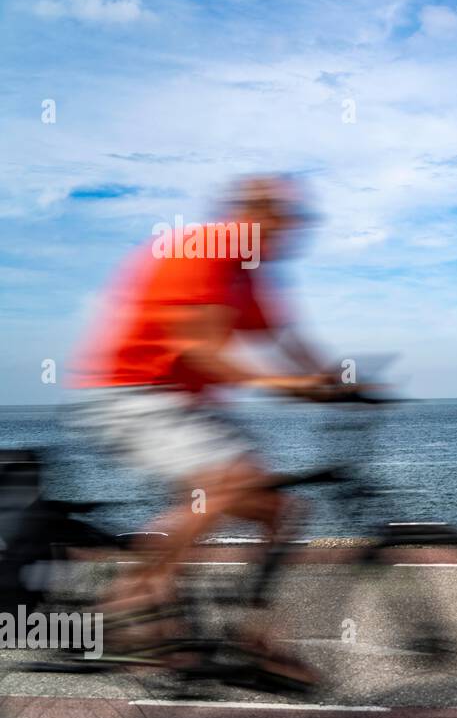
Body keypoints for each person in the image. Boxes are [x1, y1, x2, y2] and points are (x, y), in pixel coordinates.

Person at [72, 175, 337, 689]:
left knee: (283, 512)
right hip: (132, 396)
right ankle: (126, 605)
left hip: (185, 409)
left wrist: (341, 381)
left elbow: (288, 340)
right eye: (284, 221)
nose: (291, 234)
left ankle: (250, 639)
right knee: (226, 480)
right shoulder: (201, 252)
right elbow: (198, 350)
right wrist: (282, 383)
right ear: (255, 216)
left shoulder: (249, 273)